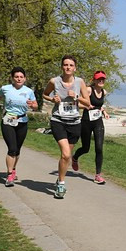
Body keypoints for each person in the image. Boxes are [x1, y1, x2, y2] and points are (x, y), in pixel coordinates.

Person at [43, 55, 90, 198]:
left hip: (75, 122)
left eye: (71, 65)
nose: (68, 67)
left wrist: (76, 96)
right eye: (65, 65)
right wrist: (52, 99)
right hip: (58, 121)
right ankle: (62, 185)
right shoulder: (54, 81)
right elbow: (45, 94)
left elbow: (87, 103)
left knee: (66, 157)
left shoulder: (80, 82)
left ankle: (59, 179)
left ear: (75, 68)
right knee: (66, 154)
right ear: (62, 67)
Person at [0, 67, 39, 187]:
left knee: (17, 150)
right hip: (8, 120)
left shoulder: (29, 91)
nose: (19, 79)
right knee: (12, 148)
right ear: (12, 78)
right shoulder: (5, 89)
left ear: (25, 78)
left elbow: (35, 106)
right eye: (16, 77)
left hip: (22, 120)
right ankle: (9, 175)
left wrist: (33, 105)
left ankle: (13, 169)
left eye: (21, 77)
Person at [72, 70, 110, 184]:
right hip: (86, 122)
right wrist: (85, 106)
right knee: (86, 148)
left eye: (103, 79)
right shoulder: (89, 90)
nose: (101, 81)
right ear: (94, 80)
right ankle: (75, 157)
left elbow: (99, 105)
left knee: (99, 148)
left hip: (98, 121)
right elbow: (75, 101)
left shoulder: (104, 92)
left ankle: (98, 175)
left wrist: (104, 112)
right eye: (99, 79)